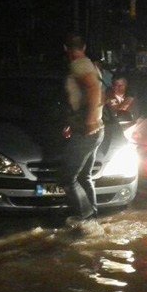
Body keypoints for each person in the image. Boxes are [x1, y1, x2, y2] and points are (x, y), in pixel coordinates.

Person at [62, 34, 105, 225]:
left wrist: (89, 122)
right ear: (84, 47)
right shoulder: (92, 65)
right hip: (96, 130)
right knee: (84, 176)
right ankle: (92, 218)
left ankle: (85, 219)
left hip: (87, 132)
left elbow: (94, 89)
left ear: (66, 49)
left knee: (66, 178)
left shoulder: (78, 65)